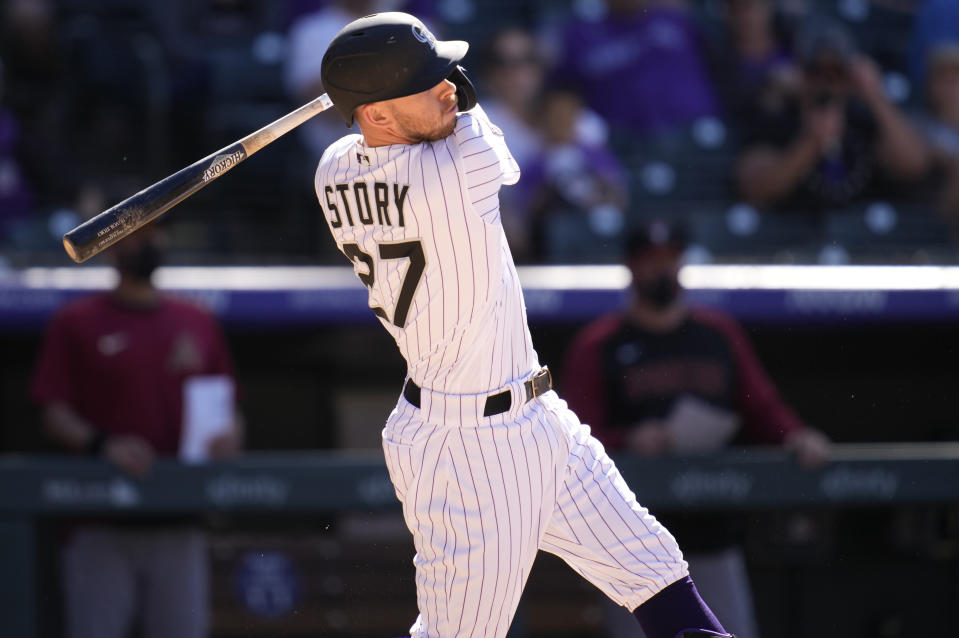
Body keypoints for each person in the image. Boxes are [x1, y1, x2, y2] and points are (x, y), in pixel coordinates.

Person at [315, 12, 735, 638]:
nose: (448, 87)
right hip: (468, 445)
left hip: (536, 417)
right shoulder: (461, 165)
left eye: (441, 75)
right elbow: (471, 119)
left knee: (658, 575)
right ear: (374, 114)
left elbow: (399, 123)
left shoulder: (332, 169)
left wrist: (387, 79)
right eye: (425, 82)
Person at [562, 219, 831, 638]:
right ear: (631, 267)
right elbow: (572, 436)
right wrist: (629, 441)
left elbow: (760, 407)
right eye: (651, 261)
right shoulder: (600, 344)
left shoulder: (718, 334)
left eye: (670, 259)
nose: (662, 270)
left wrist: (795, 435)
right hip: (632, 544)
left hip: (712, 529)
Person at [30, 224, 244, 638]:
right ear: (111, 247)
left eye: (158, 233)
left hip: (179, 520)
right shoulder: (76, 321)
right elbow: (52, 411)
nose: (150, 242)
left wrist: (229, 434)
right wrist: (103, 445)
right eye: (137, 234)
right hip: (100, 518)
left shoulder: (196, 320)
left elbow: (230, 408)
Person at [735, 18, 930, 213]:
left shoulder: (863, 116)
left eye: (837, 71)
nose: (827, 81)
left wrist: (875, 95)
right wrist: (810, 143)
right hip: (794, 237)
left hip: (861, 235)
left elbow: (914, 165)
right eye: (816, 70)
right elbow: (756, 189)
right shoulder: (778, 116)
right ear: (800, 72)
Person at [551, 0, 721, 139]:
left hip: (697, 135)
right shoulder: (579, 34)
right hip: (622, 144)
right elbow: (562, 92)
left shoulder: (676, 19)